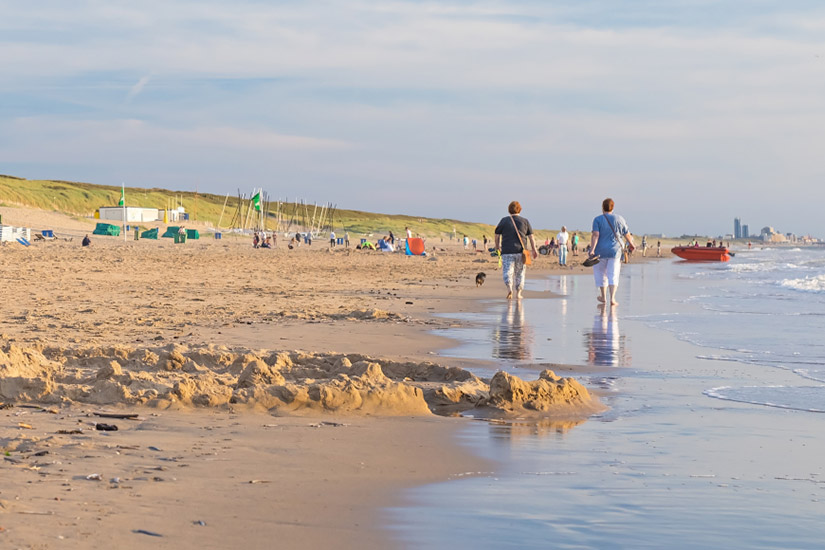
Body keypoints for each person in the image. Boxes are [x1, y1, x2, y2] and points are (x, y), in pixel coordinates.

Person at [588, 197, 636, 306]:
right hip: (615, 251)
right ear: (612, 207)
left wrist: (592, 249)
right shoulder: (620, 219)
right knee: (613, 274)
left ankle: (603, 297)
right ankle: (613, 299)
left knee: (601, 274)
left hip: (600, 251)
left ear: (602, 207)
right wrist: (632, 244)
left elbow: (595, 235)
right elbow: (626, 234)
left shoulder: (597, 219)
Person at [494, 201, 538, 300]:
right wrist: (534, 249)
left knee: (507, 271)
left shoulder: (504, 221)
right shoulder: (525, 221)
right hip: (521, 252)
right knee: (520, 273)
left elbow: (497, 235)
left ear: (509, 210)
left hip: (507, 251)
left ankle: (509, 288)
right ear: (520, 209)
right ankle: (518, 293)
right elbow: (531, 237)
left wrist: (497, 247)